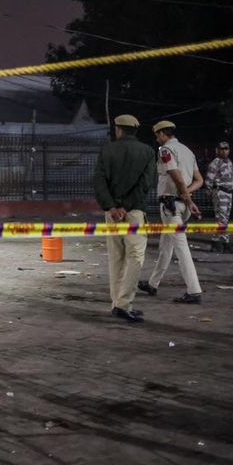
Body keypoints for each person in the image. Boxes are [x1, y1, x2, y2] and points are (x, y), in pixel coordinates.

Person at [93, 114, 156, 323]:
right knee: (135, 257)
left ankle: (116, 303)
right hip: (134, 212)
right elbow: (145, 185)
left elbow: (99, 181)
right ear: (135, 131)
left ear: (118, 130)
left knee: (116, 257)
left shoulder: (107, 149)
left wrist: (111, 206)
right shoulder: (147, 151)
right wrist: (125, 206)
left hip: (111, 214)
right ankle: (123, 303)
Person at [137, 120, 204, 304]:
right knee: (166, 246)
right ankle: (153, 284)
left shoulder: (165, 150)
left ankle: (194, 291)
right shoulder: (187, 151)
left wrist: (186, 197)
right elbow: (199, 180)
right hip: (180, 205)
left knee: (181, 247)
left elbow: (176, 175)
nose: (157, 139)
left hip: (171, 205)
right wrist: (187, 195)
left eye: (157, 135)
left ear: (163, 134)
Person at [205, 141, 233, 253]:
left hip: (228, 193)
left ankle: (216, 242)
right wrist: (212, 194)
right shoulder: (215, 163)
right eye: (221, 149)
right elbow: (209, 180)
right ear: (217, 150)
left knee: (223, 219)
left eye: (226, 148)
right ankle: (226, 243)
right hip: (220, 192)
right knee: (222, 218)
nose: (224, 151)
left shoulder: (229, 162)